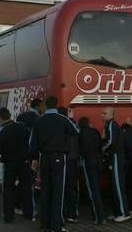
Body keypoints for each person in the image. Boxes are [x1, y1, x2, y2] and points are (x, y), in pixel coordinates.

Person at [30, 97, 79, 232]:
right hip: (58, 158)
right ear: (57, 105)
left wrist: (34, 159)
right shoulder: (63, 119)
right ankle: (56, 226)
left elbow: (32, 142)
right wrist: (70, 118)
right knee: (58, 193)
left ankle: (44, 225)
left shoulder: (39, 121)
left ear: (45, 106)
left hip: (44, 159)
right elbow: (75, 131)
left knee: (45, 192)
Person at [0, 108, 33, 223]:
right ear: (10, 116)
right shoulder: (23, 127)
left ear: (0, 118)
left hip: (10, 164)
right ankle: (29, 214)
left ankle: (8, 217)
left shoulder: (1, 132)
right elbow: (31, 143)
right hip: (24, 162)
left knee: (8, 191)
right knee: (26, 188)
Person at [101, 107, 130, 223]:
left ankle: (124, 213)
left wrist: (101, 149)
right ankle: (117, 212)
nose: (102, 115)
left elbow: (110, 141)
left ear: (111, 115)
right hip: (113, 158)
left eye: (104, 113)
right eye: (101, 113)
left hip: (116, 157)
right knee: (114, 186)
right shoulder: (108, 125)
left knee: (118, 186)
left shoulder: (112, 124)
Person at [15, 99, 42, 219]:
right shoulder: (38, 119)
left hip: (20, 153)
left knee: (22, 181)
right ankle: (30, 209)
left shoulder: (21, 116)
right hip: (31, 155)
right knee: (29, 182)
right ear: (37, 106)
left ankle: (17, 204)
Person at [78, 117, 105, 225]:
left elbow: (79, 149)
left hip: (88, 162)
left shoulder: (80, 134)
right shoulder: (95, 131)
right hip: (98, 162)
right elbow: (101, 144)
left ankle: (98, 217)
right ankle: (101, 215)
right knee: (96, 188)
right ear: (89, 123)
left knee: (92, 190)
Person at [59, 107, 79, 223]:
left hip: (63, 159)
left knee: (63, 187)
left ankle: (64, 212)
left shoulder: (59, 125)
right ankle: (72, 213)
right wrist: (72, 119)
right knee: (71, 188)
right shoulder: (71, 125)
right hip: (72, 159)